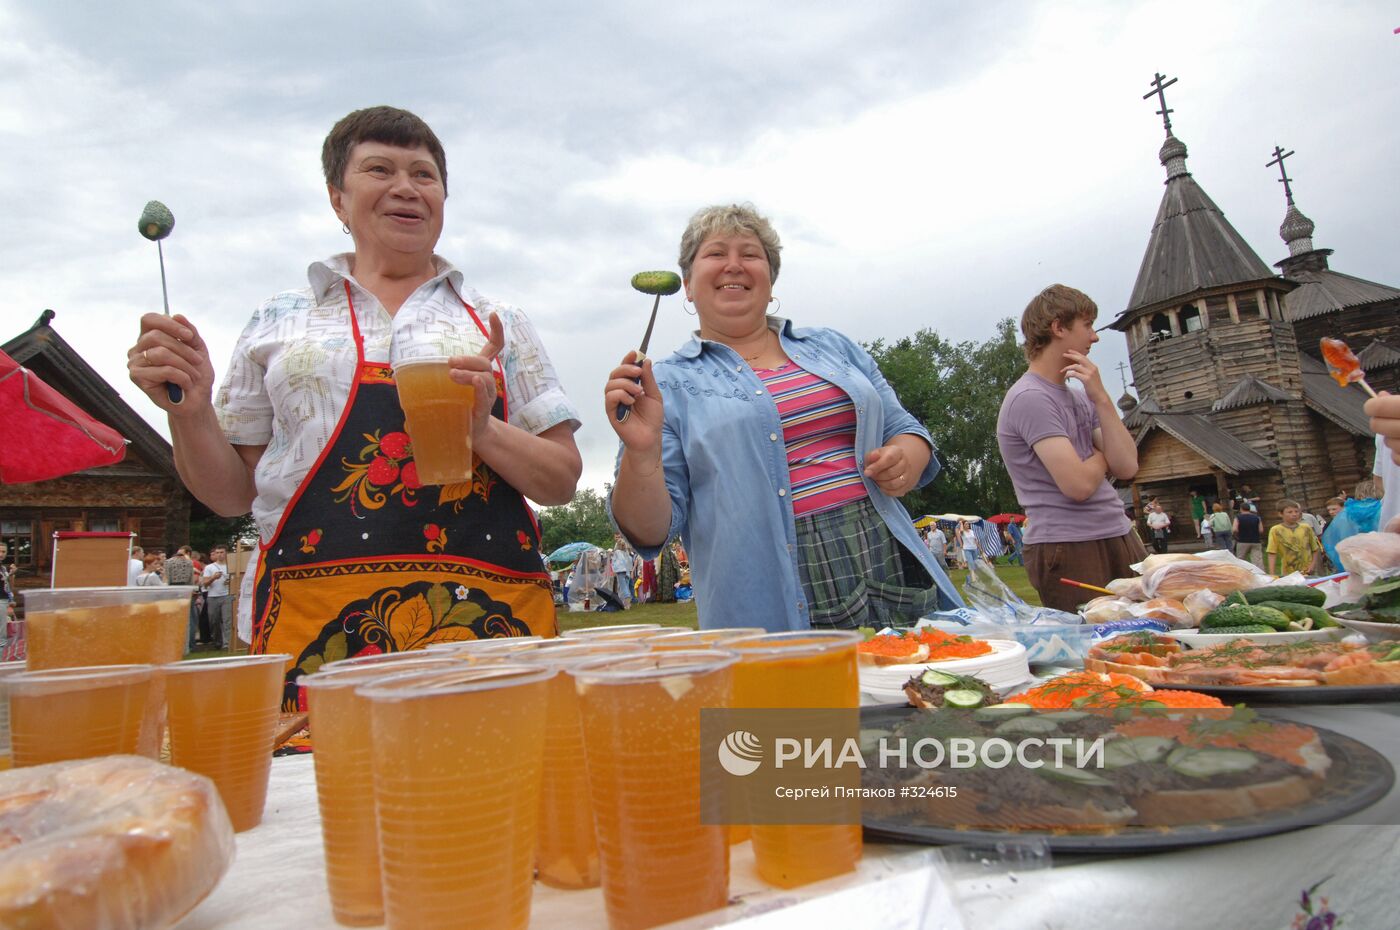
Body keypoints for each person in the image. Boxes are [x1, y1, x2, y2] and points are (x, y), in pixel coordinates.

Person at [128, 106, 582, 702]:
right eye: (379, 169)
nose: (406, 187)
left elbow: (562, 480)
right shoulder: (277, 320)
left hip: (488, 626)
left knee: (491, 788)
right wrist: (187, 413)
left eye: (424, 174)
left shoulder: (499, 322)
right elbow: (231, 494)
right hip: (317, 627)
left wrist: (484, 431)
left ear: (444, 197)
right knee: (323, 793)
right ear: (337, 198)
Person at [605, 203, 961, 631]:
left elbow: (905, 428)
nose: (734, 265)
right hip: (765, 600)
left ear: (770, 280)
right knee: (788, 702)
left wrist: (907, 456)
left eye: (750, 254)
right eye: (716, 253)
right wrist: (641, 453)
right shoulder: (665, 384)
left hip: (887, 561)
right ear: (688, 285)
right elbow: (648, 532)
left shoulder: (833, 346)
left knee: (921, 689)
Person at [995, 284, 1142, 613]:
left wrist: (1102, 399)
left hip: (1117, 533)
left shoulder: (1079, 396)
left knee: (1147, 641)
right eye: (1087, 325)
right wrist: (1102, 456)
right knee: (1093, 654)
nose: (1095, 337)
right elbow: (1077, 485)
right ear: (1058, 327)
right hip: (1069, 546)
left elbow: (1129, 466)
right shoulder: (1030, 397)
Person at [1267, 499, 1322, 577]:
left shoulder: (1306, 527)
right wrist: (1272, 574)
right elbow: (1272, 552)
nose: (1294, 514)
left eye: (1296, 511)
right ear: (1280, 514)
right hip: (1289, 572)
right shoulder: (1276, 530)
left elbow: (1315, 548)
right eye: (1290, 512)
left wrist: (1312, 565)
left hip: (1308, 571)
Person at [201, 545, 232, 649]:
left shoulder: (231, 565)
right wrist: (213, 577)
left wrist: (230, 582)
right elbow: (204, 583)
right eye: (217, 552)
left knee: (227, 620)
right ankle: (217, 642)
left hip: (227, 595)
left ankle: (228, 643)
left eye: (222, 552)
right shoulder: (209, 567)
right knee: (214, 620)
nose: (220, 554)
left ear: (226, 553)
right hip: (213, 596)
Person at [1233, 504, 1264, 568]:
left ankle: (1241, 572)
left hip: (1242, 540)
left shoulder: (1238, 517)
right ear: (1249, 509)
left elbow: (1234, 529)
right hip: (1256, 541)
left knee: (1241, 560)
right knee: (1257, 560)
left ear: (1241, 509)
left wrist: (1236, 535)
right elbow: (1261, 530)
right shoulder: (1257, 518)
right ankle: (1260, 573)